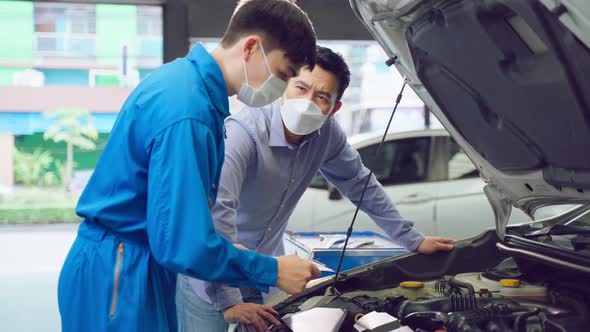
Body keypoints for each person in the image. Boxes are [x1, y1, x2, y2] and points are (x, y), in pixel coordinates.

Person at [57, 1, 321, 331]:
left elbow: (180, 223)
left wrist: (223, 248)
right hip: (120, 271)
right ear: (251, 47)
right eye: (282, 75)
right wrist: (272, 270)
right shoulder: (188, 111)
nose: (280, 90)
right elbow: (182, 245)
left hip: (131, 261)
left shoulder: (190, 88)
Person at [176, 46, 455, 332]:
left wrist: (413, 239)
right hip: (211, 278)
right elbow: (217, 218)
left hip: (269, 272)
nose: (307, 102)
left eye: (321, 97)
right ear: (285, 85)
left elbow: (361, 185)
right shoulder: (243, 133)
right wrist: (228, 301)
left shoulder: (327, 136)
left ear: (334, 109)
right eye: (301, 88)